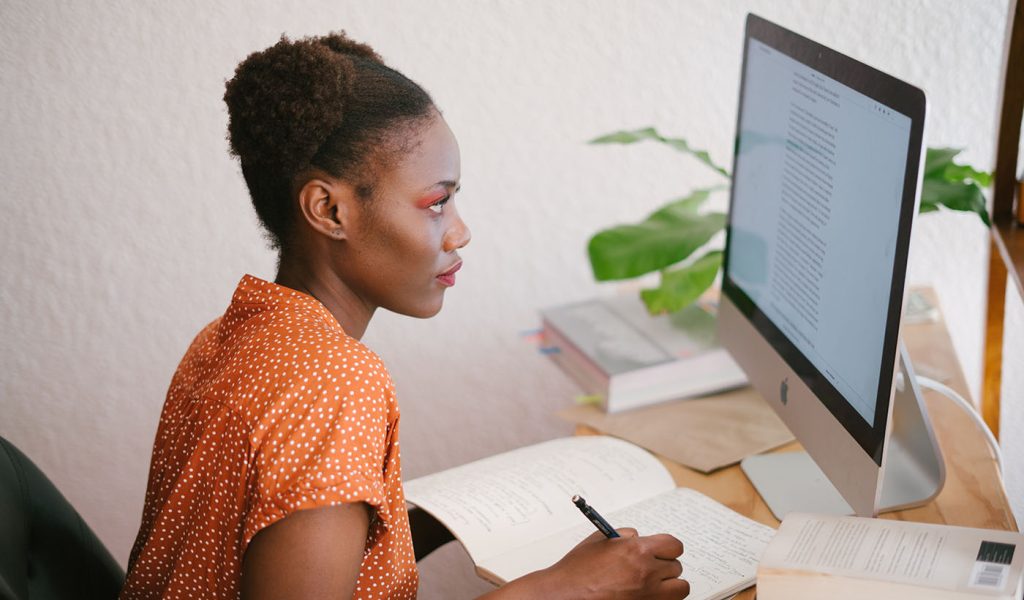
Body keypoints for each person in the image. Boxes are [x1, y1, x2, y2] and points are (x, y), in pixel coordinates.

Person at [120, 32, 690, 600]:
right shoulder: (335, 382)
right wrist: (574, 588)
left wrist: (432, 523)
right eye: (436, 202)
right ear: (330, 210)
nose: (460, 231)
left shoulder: (229, 337)